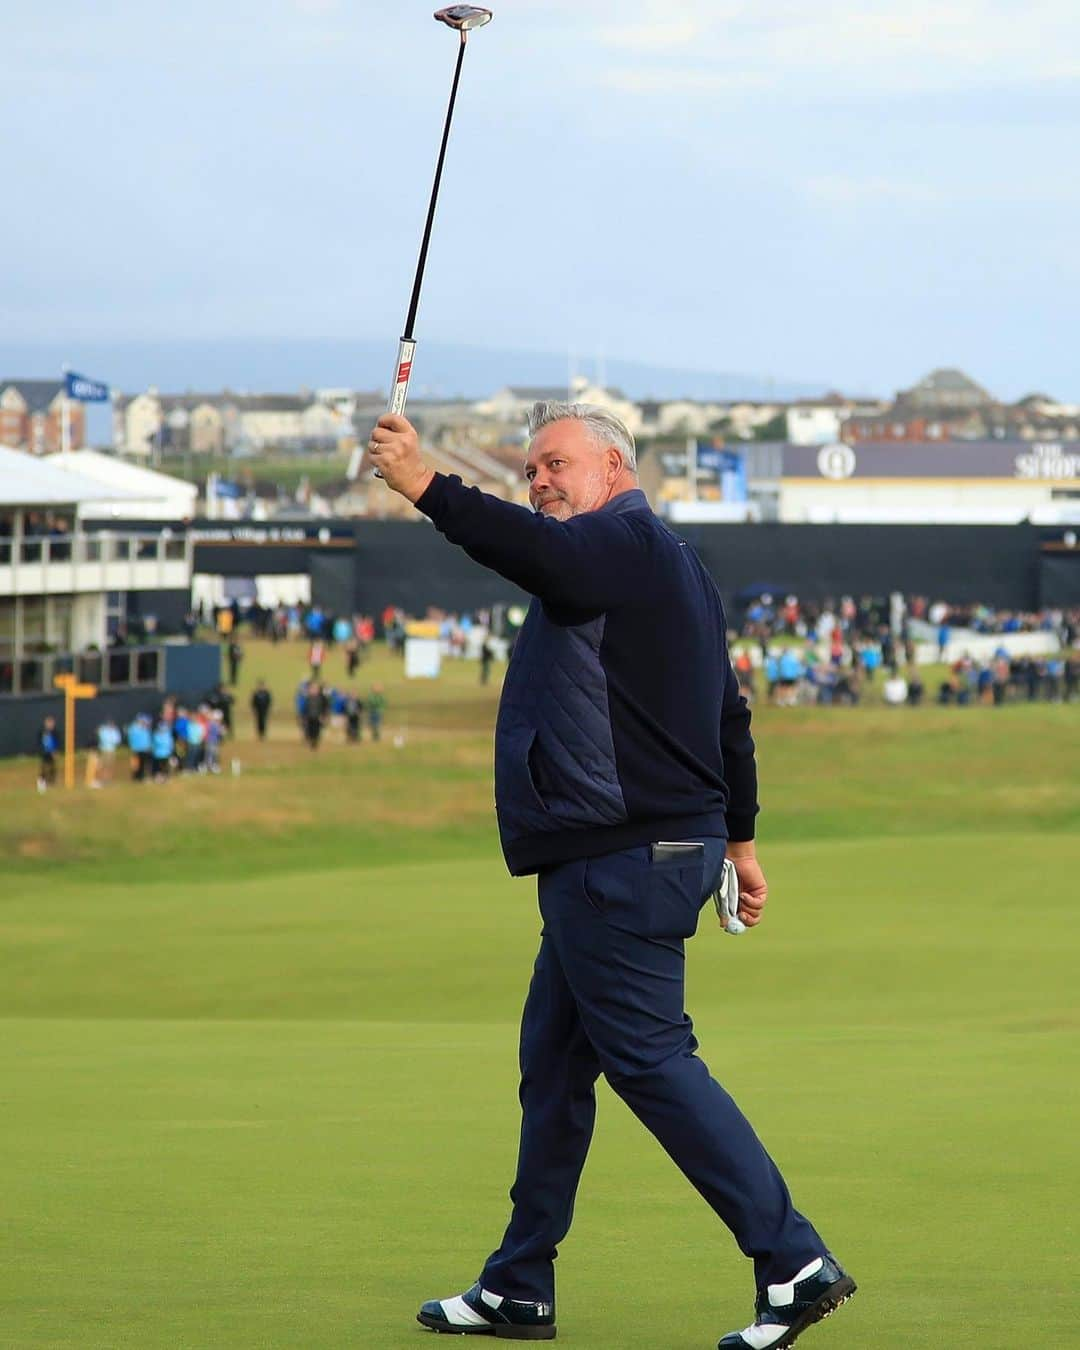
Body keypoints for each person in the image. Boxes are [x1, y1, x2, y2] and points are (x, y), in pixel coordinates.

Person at [367, 402, 855, 1347]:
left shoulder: (617, 544)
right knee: (553, 1064)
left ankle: (793, 1260)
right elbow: (729, 718)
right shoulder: (669, 565)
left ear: (616, 465)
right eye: (529, 470)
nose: (539, 480)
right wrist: (742, 845)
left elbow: (543, 558)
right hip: (638, 854)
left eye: (555, 463)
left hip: (619, 861)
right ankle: (520, 1284)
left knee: (651, 1059)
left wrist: (425, 482)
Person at [37, 716, 59, 792]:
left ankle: (50, 782)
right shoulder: (42, 731)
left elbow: (56, 743)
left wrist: (55, 751)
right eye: (49, 723)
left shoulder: (55, 732)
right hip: (44, 753)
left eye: (52, 723)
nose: (51, 725)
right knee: (44, 768)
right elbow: (40, 742)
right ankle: (41, 783)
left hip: (52, 753)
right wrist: (42, 750)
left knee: (53, 768)